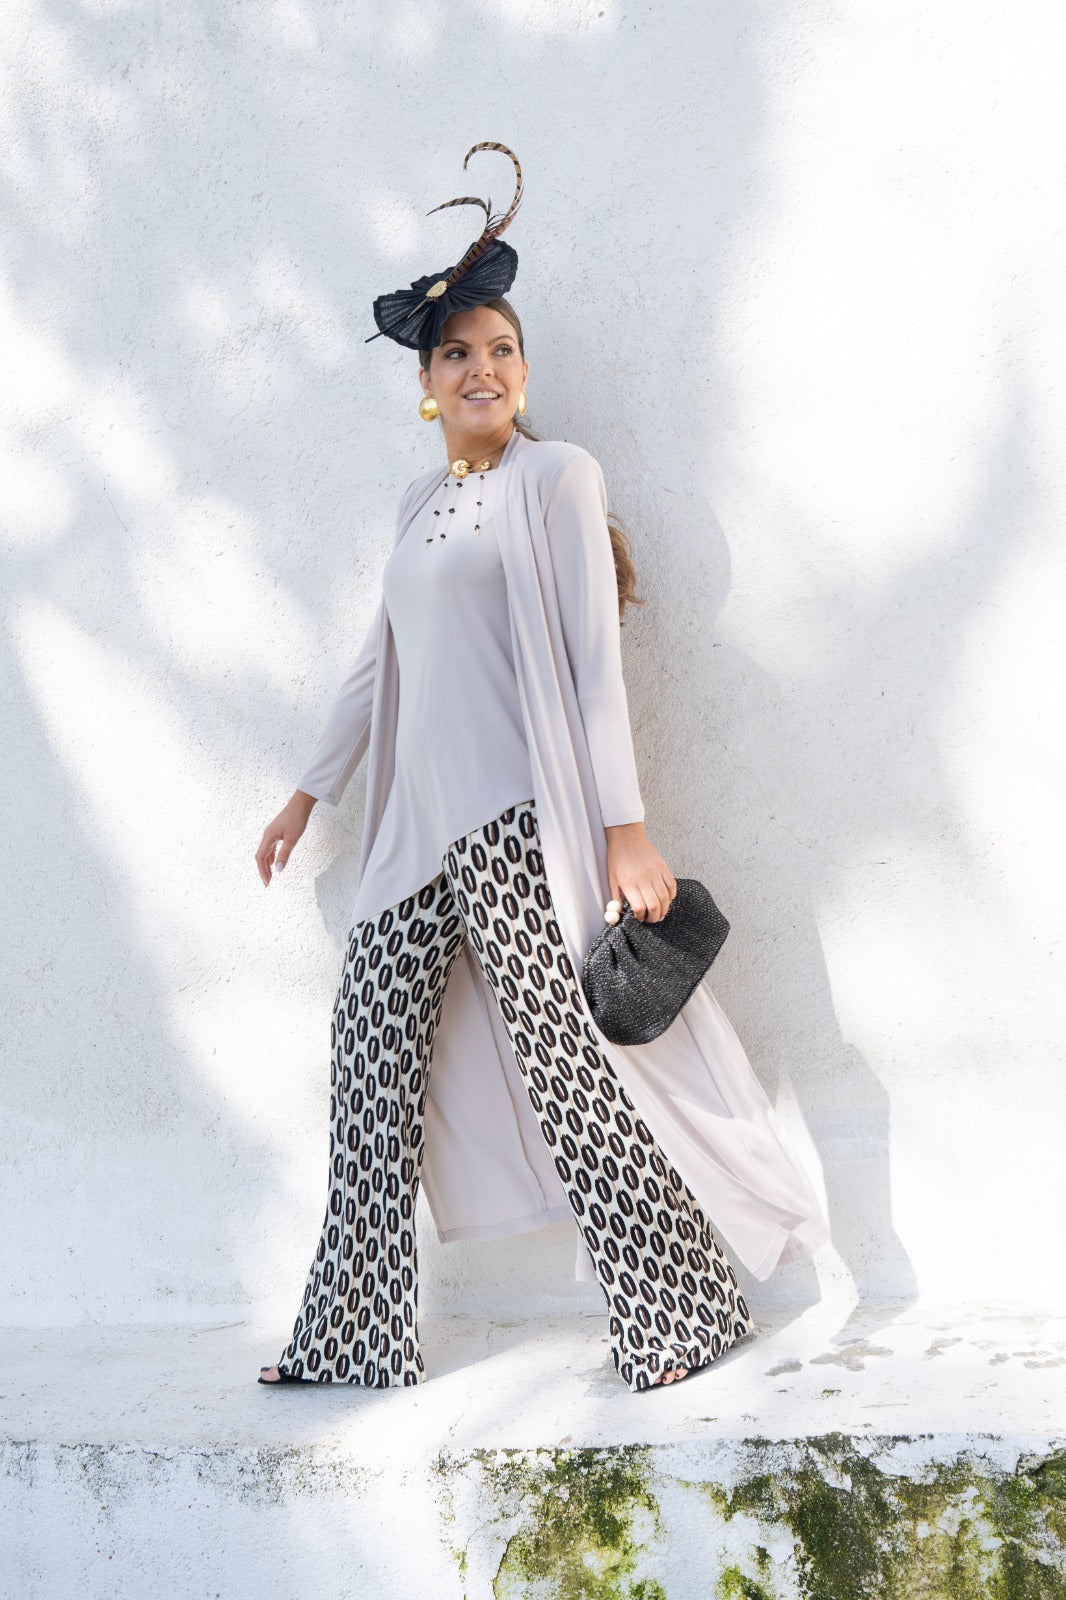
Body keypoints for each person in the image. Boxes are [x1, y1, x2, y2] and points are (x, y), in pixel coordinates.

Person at [255, 145, 828, 1393]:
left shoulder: (558, 479)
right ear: (425, 384)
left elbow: (589, 667)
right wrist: (308, 794)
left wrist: (624, 828)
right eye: (458, 353)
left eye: (502, 349)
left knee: (571, 1073)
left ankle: (680, 1306)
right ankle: (353, 1332)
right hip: (410, 830)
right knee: (367, 1067)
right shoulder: (415, 509)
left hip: (515, 822)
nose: (484, 367)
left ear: (523, 371)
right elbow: (374, 663)